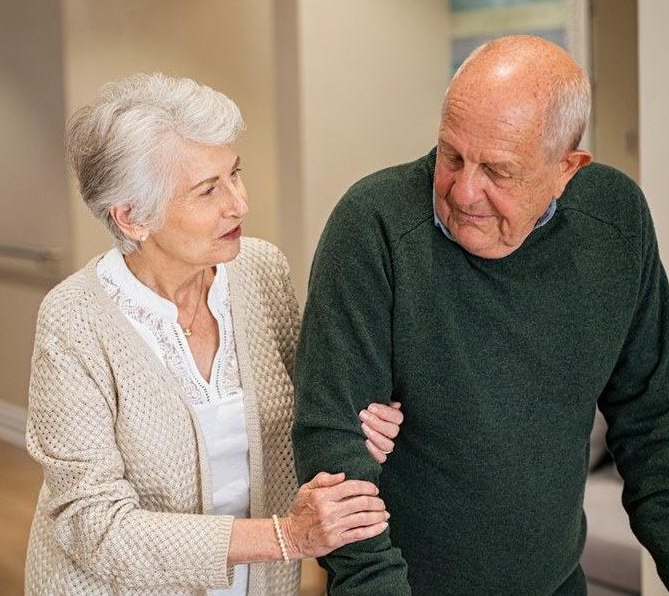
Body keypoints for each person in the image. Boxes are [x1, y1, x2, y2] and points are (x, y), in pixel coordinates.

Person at [291, 36, 669, 595]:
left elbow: (651, 422)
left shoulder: (615, 223)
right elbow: (335, 449)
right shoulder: (373, 226)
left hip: (559, 582)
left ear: (567, 169)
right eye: (451, 156)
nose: (464, 190)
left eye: (498, 171)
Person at [24, 72, 403, 596]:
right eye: (208, 190)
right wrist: (283, 537)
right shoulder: (73, 319)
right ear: (132, 217)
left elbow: (306, 417)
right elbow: (95, 528)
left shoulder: (260, 269)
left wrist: (355, 424)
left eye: (235, 173)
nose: (239, 203)